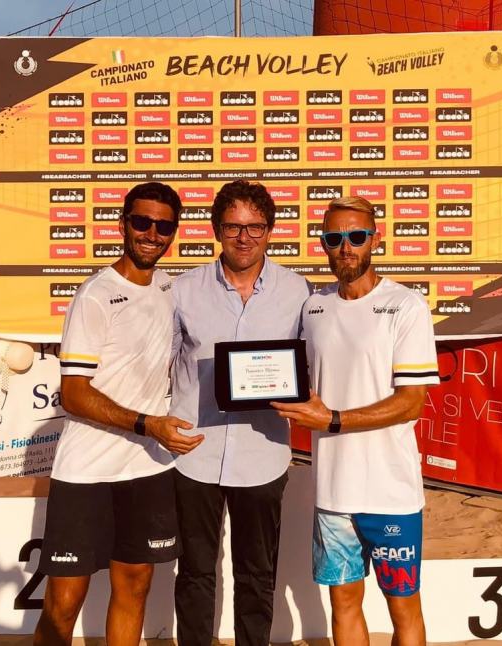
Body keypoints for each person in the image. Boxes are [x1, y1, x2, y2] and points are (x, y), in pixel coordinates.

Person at [33, 182, 202, 646]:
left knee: (135, 587)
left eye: (163, 225)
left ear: (174, 233)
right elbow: (73, 393)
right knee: (64, 604)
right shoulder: (95, 294)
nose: (152, 233)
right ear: (123, 224)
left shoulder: (173, 289)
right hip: (87, 469)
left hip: (147, 467)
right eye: (142, 222)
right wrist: (148, 424)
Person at [272, 196, 440, 646]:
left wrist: (333, 419)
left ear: (375, 239)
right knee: (343, 604)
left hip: (391, 490)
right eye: (334, 238)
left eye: (356, 236)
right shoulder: (313, 308)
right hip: (333, 491)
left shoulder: (406, 306)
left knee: (403, 607)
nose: (346, 247)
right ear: (323, 243)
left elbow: (410, 404)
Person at [170, 180, 311, 646]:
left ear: (270, 231)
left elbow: (308, 365)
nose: (244, 237)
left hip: (263, 454)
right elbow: (163, 363)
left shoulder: (297, 291)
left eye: (255, 227)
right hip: (196, 453)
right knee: (194, 572)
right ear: (216, 230)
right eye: (233, 226)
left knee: (257, 573)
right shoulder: (183, 289)